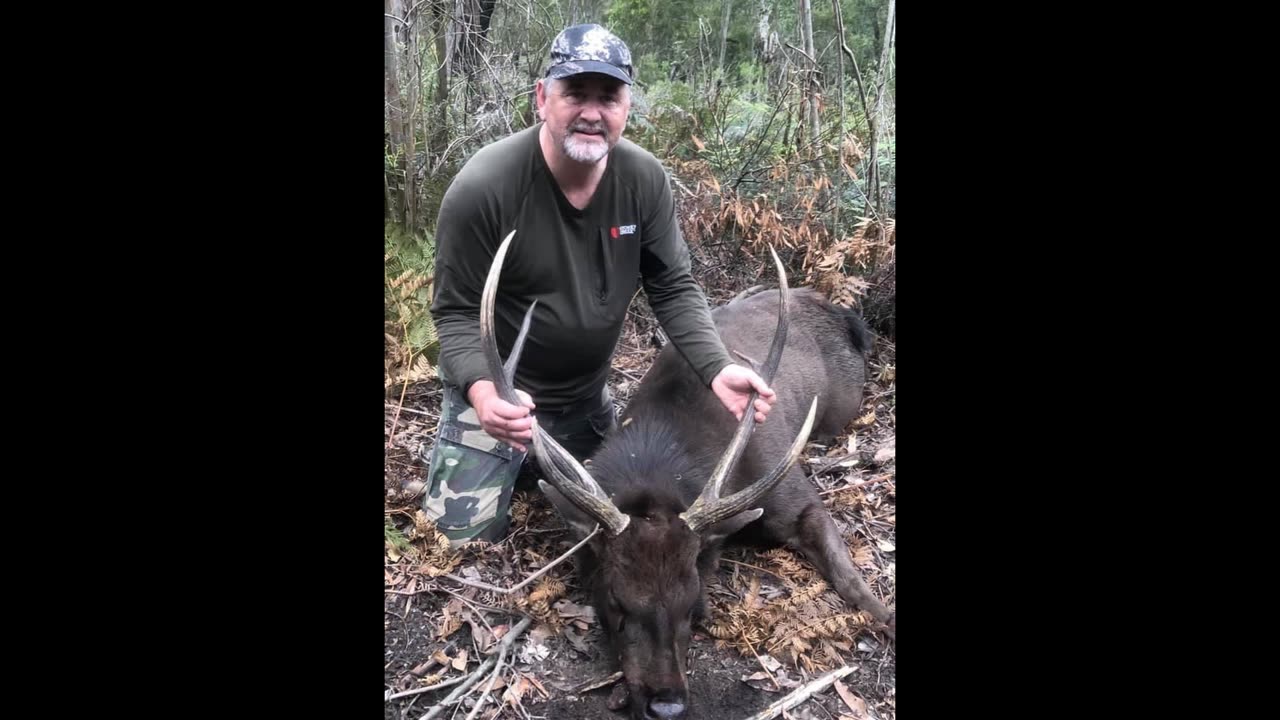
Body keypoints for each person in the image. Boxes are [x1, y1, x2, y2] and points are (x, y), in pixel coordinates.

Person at [423, 23, 776, 545]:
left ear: (627, 107)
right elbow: (453, 312)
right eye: (575, 94)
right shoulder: (484, 187)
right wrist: (482, 392)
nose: (592, 112)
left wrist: (718, 367)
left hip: (583, 406)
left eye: (608, 97)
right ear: (543, 98)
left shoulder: (643, 180)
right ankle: (492, 452)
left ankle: (534, 462)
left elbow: (673, 286)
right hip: (497, 405)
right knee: (456, 541)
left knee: (624, 536)